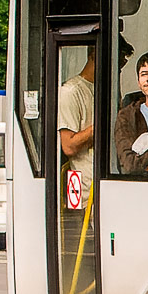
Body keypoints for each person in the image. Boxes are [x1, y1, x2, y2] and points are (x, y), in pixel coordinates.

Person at [58, 45, 97, 194]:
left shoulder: (108, 88)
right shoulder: (71, 91)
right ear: (94, 54)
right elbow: (68, 146)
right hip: (86, 189)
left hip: (104, 182)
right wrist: (98, 128)